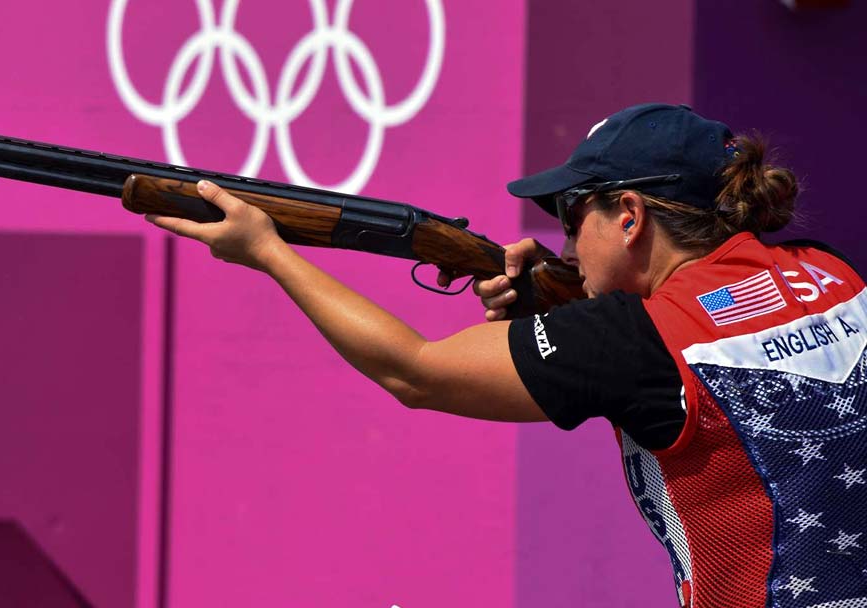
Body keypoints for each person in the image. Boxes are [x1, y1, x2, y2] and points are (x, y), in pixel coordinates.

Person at [144, 103, 867, 607]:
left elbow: (414, 371)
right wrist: (556, 308)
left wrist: (269, 251)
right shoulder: (832, 272)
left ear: (629, 216)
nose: (561, 236)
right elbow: (720, 328)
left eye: (569, 211)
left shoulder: (629, 340)